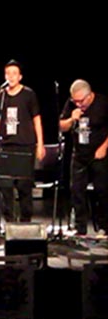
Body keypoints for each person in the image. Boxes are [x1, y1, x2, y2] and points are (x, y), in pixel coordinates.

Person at [0, 60, 45, 224]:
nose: (11, 76)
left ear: (20, 77)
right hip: (6, 147)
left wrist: (40, 143)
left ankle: (26, 221)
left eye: (14, 73)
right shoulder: (0, 97)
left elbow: (36, 119)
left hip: (25, 147)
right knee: (5, 186)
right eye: (8, 73)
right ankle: (10, 222)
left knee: (25, 186)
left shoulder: (28, 95)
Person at [59, 79, 108, 237]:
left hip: (99, 153)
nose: (79, 104)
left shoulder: (102, 103)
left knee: (102, 190)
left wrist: (104, 147)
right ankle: (80, 228)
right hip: (79, 154)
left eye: (81, 101)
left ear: (90, 95)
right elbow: (61, 126)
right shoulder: (72, 105)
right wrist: (72, 119)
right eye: (75, 101)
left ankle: (104, 227)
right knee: (77, 191)